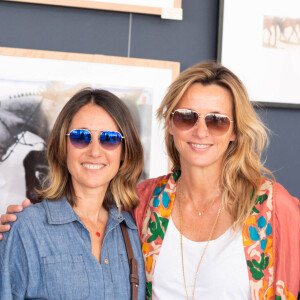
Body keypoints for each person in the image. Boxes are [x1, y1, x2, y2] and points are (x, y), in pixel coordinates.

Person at [1, 62, 299, 300]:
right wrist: (18, 224)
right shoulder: (143, 203)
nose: (201, 131)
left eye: (217, 120)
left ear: (235, 131)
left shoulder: (276, 210)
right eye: (186, 117)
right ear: (171, 123)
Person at [0, 88, 146, 299]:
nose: (95, 151)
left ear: (124, 150)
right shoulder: (25, 229)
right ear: (63, 145)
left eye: (109, 138)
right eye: (81, 137)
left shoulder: (133, 232)